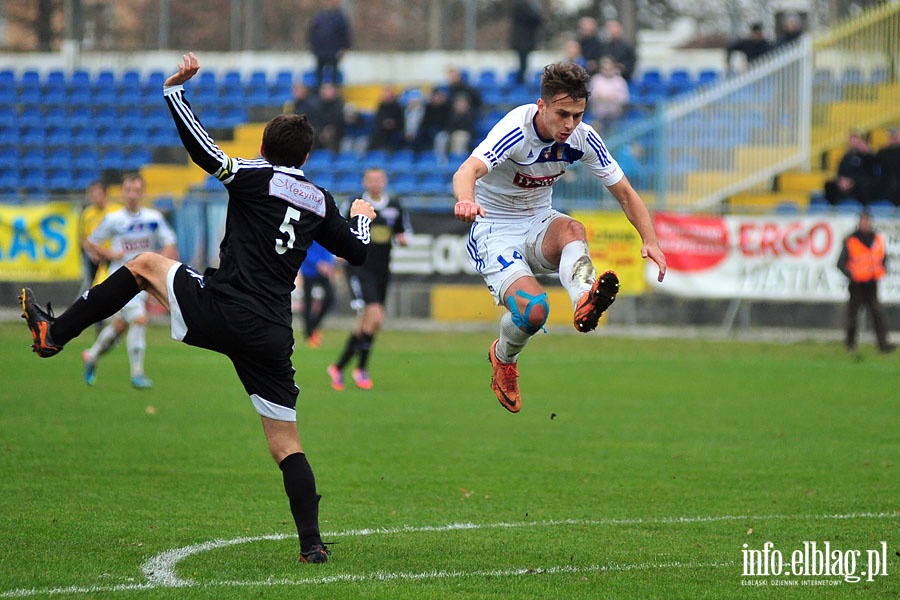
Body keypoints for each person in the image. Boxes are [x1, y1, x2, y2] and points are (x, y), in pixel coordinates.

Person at [19, 52, 375, 565]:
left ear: (262, 147)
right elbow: (357, 250)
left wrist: (174, 92)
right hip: (272, 332)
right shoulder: (320, 199)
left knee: (142, 264)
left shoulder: (255, 175)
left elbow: (205, 153)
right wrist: (361, 215)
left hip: (222, 306)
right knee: (285, 444)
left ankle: (56, 335)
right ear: (306, 157)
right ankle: (311, 544)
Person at [452, 61, 666, 413]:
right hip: (496, 229)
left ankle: (584, 300)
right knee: (535, 311)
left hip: (539, 221)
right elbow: (468, 170)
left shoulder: (582, 137)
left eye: (578, 115)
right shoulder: (516, 130)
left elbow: (625, 192)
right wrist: (465, 200)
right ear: (542, 105)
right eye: (563, 114)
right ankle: (503, 359)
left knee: (572, 228)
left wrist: (651, 240)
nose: (569, 125)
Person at [82, 173, 178, 389]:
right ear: (123, 192)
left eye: (137, 191)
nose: (132, 195)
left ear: (143, 193)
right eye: (128, 191)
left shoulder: (152, 218)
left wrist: (161, 260)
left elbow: (170, 241)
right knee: (139, 319)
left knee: (120, 326)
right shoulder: (114, 219)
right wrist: (109, 254)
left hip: (144, 281)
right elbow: (91, 242)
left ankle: (91, 355)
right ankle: (137, 374)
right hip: (121, 279)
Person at [328, 167, 410, 391]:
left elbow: (404, 232)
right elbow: (340, 230)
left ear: (384, 181)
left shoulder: (394, 206)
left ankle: (338, 367)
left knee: (367, 322)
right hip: (359, 269)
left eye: (379, 179)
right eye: (371, 179)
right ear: (364, 182)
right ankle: (360, 368)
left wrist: (402, 238)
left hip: (382, 270)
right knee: (375, 317)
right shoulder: (356, 206)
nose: (375, 183)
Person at [836, 211, 895, 353]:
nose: (866, 224)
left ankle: (883, 345)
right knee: (853, 316)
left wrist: (882, 268)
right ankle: (850, 345)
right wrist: (851, 274)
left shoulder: (876, 239)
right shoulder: (851, 240)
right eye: (864, 221)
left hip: (872, 283)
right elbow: (840, 263)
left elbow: (883, 257)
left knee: (877, 314)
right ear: (859, 223)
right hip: (857, 285)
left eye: (868, 221)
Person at [78, 180, 120, 294]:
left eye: (98, 195)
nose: (95, 198)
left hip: (114, 256)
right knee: (95, 288)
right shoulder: (87, 214)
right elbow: (84, 237)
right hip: (95, 257)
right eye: (92, 195)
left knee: (115, 285)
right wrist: (91, 253)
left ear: (105, 195)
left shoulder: (117, 211)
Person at [297, 241, 336, 348]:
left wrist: (328, 265)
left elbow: (329, 249)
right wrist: (318, 263)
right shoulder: (309, 229)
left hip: (323, 271)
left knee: (330, 297)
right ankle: (309, 334)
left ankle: (313, 327)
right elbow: (304, 250)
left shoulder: (326, 229)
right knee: (308, 301)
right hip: (309, 270)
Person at [824, 131, 878, 206]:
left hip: (859, 182)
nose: (853, 143)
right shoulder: (846, 156)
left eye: (855, 141)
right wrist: (841, 180)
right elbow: (840, 171)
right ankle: (833, 207)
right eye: (851, 141)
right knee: (829, 184)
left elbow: (869, 171)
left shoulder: (865, 156)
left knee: (865, 185)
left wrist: (852, 181)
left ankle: (864, 208)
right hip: (845, 182)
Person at [307, 0, 352, 88]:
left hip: (333, 51)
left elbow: (345, 33)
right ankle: (319, 94)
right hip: (320, 51)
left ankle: (334, 94)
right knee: (319, 75)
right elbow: (312, 31)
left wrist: (345, 47)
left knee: (334, 75)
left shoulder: (340, 17)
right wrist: (312, 45)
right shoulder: (320, 16)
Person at [588, 56, 629, 134]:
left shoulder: (620, 81)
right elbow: (590, 96)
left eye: (609, 68)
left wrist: (613, 98)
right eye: (604, 68)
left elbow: (625, 98)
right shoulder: (596, 80)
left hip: (615, 116)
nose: (606, 71)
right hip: (598, 115)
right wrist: (599, 97)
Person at [509, 0, 544, 85]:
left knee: (524, 64)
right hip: (522, 42)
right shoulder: (521, 6)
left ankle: (521, 82)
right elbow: (534, 18)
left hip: (525, 41)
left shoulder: (525, 5)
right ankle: (520, 83)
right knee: (523, 65)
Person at [367, 85, 405, 153]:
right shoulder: (381, 106)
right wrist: (383, 123)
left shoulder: (398, 106)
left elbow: (401, 121)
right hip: (381, 131)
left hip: (395, 131)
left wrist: (393, 123)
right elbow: (377, 119)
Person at [875, 126, 900, 205]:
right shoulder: (883, 151)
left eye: (895, 136)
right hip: (886, 178)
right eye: (891, 136)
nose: (893, 138)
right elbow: (875, 162)